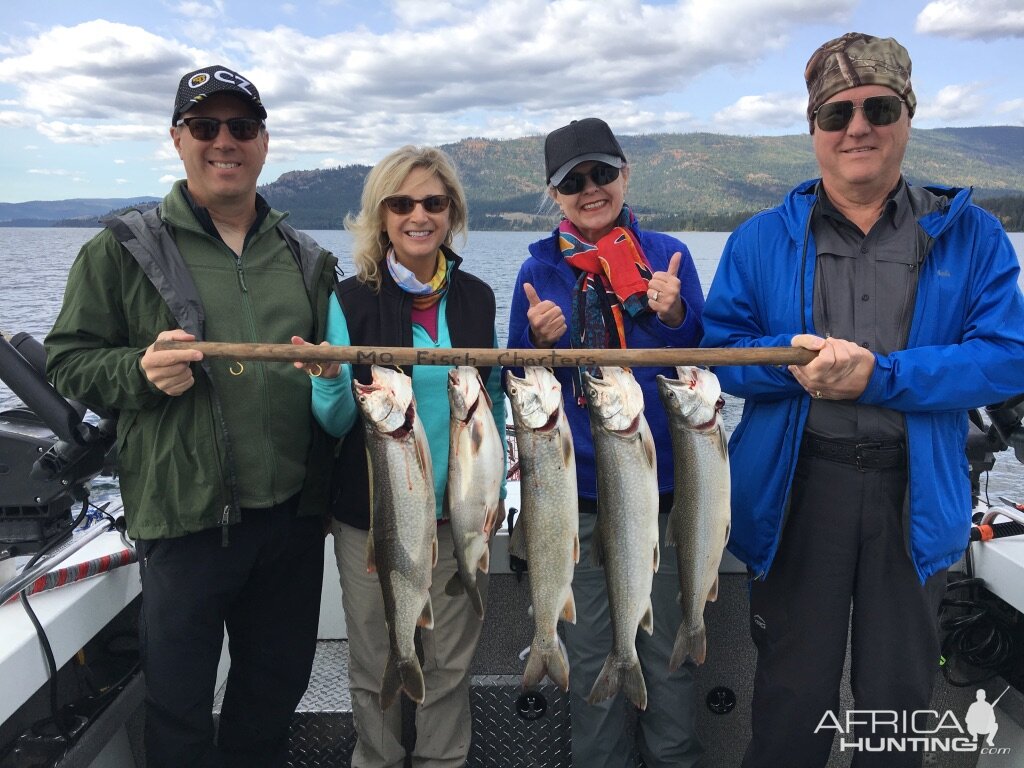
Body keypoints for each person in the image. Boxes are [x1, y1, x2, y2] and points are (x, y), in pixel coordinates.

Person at [699, 33, 1024, 768]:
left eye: (878, 107)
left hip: (919, 498)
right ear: (812, 128)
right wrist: (794, 368)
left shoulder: (974, 236)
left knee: (898, 707)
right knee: (788, 700)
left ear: (907, 115)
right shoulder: (756, 241)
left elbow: (1008, 358)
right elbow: (723, 357)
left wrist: (879, 376)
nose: (857, 127)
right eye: (835, 113)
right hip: (796, 496)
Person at [44, 65, 337, 767]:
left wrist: (334, 371)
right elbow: (68, 361)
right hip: (183, 522)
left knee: (272, 696)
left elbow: (337, 375)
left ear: (264, 142)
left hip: (292, 522)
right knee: (177, 709)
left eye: (240, 127)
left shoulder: (307, 259)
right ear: (177, 139)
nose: (223, 142)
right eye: (204, 127)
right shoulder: (119, 250)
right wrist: (137, 372)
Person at [506, 117, 705, 768]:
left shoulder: (670, 257)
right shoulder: (537, 272)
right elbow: (516, 381)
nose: (590, 189)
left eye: (601, 173)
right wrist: (537, 343)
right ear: (553, 193)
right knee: (594, 672)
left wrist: (672, 314)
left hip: (667, 502)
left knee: (670, 676)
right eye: (573, 181)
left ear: (625, 173)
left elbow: (695, 360)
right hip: (579, 504)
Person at [299, 145, 505, 768]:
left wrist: (494, 490)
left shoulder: (477, 299)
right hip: (374, 521)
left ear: (452, 214)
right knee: (376, 662)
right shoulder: (350, 301)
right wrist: (330, 377)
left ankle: (443, 761)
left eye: (434, 203)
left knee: (447, 668)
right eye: (402, 203)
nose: (419, 215)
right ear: (381, 215)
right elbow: (335, 419)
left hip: (460, 516)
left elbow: (489, 406)